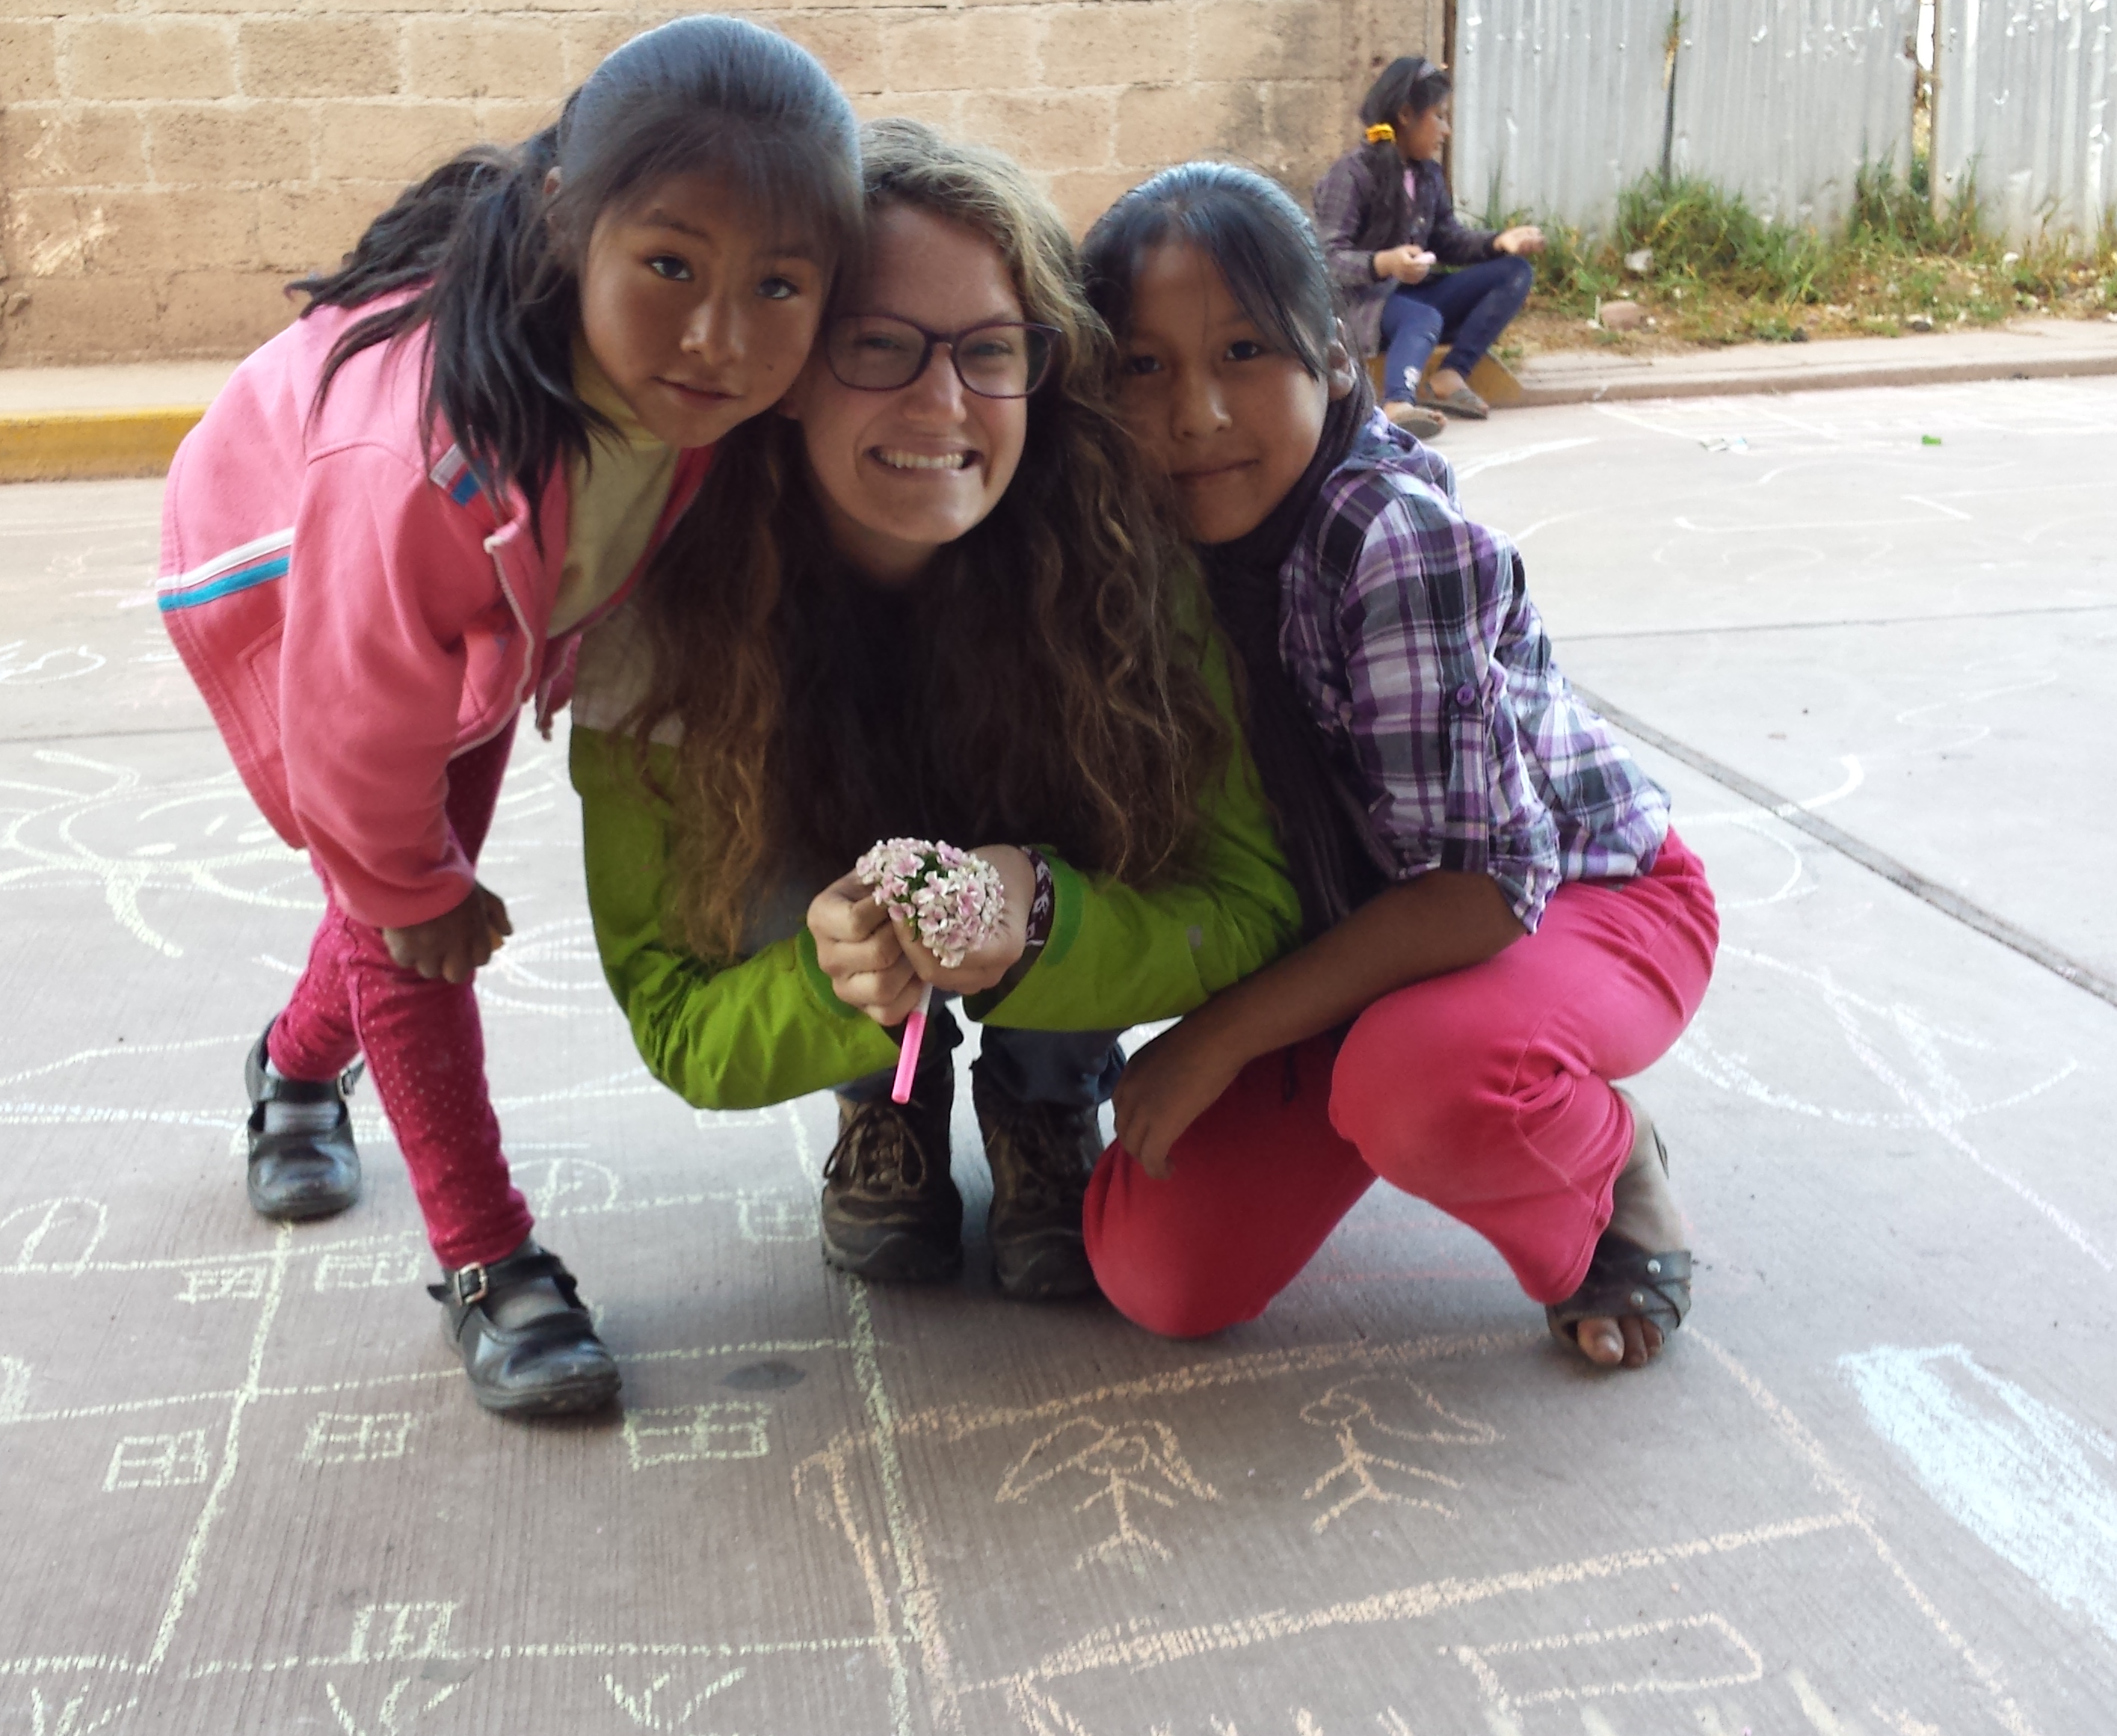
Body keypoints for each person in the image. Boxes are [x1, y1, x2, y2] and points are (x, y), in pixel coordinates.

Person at [152, 16, 864, 1418]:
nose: (721, 337)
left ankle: (293, 1072)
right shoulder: (422, 463)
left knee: (403, 890)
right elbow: (353, 733)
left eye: (778, 285)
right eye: (669, 265)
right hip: (286, 570)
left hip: (471, 609)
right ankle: (488, 1260)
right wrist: (405, 878)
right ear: (566, 224)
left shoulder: (700, 394)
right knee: (406, 913)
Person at [569, 121, 1300, 1301]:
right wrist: (829, 985)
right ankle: (885, 1099)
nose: (943, 403)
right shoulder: (664, 609)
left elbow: (1251, 902)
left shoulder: (1122, 559)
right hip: (836, 939)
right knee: (763, 802)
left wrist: (1041, 920)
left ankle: (1047, 1090)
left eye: (990, 351)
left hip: (1038, 919)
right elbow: (671, 1012)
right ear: (793, 368)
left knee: (1106, 776)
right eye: (879, 346)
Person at [1078, 163, 1718, 1369]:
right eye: (1142, 366)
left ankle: (1602, 1161)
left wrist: (1216, 1039)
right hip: (1367, 932)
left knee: (1426, 1081)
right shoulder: (1130, 539)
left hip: (1577, 897)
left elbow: (1483, 886)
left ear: (1331, 358)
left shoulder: (1391, 539)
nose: (1196, 413)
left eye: (1243, 351)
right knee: (1157, 1269)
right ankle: (1413, 1091)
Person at [1313, 55, 1545, 429]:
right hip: (1367, 305)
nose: (1446, 129)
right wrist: (1384, 264)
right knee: (1424, 316)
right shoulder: (1352, 173)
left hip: (1417, 293)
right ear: (1406, 115)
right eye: (1438, 116)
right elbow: (1328, 259)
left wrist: (1498, 242)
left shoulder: (1428, 175)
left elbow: (1447, 240)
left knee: (1513, 272)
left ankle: (1451, 375)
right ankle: (1397, 404)